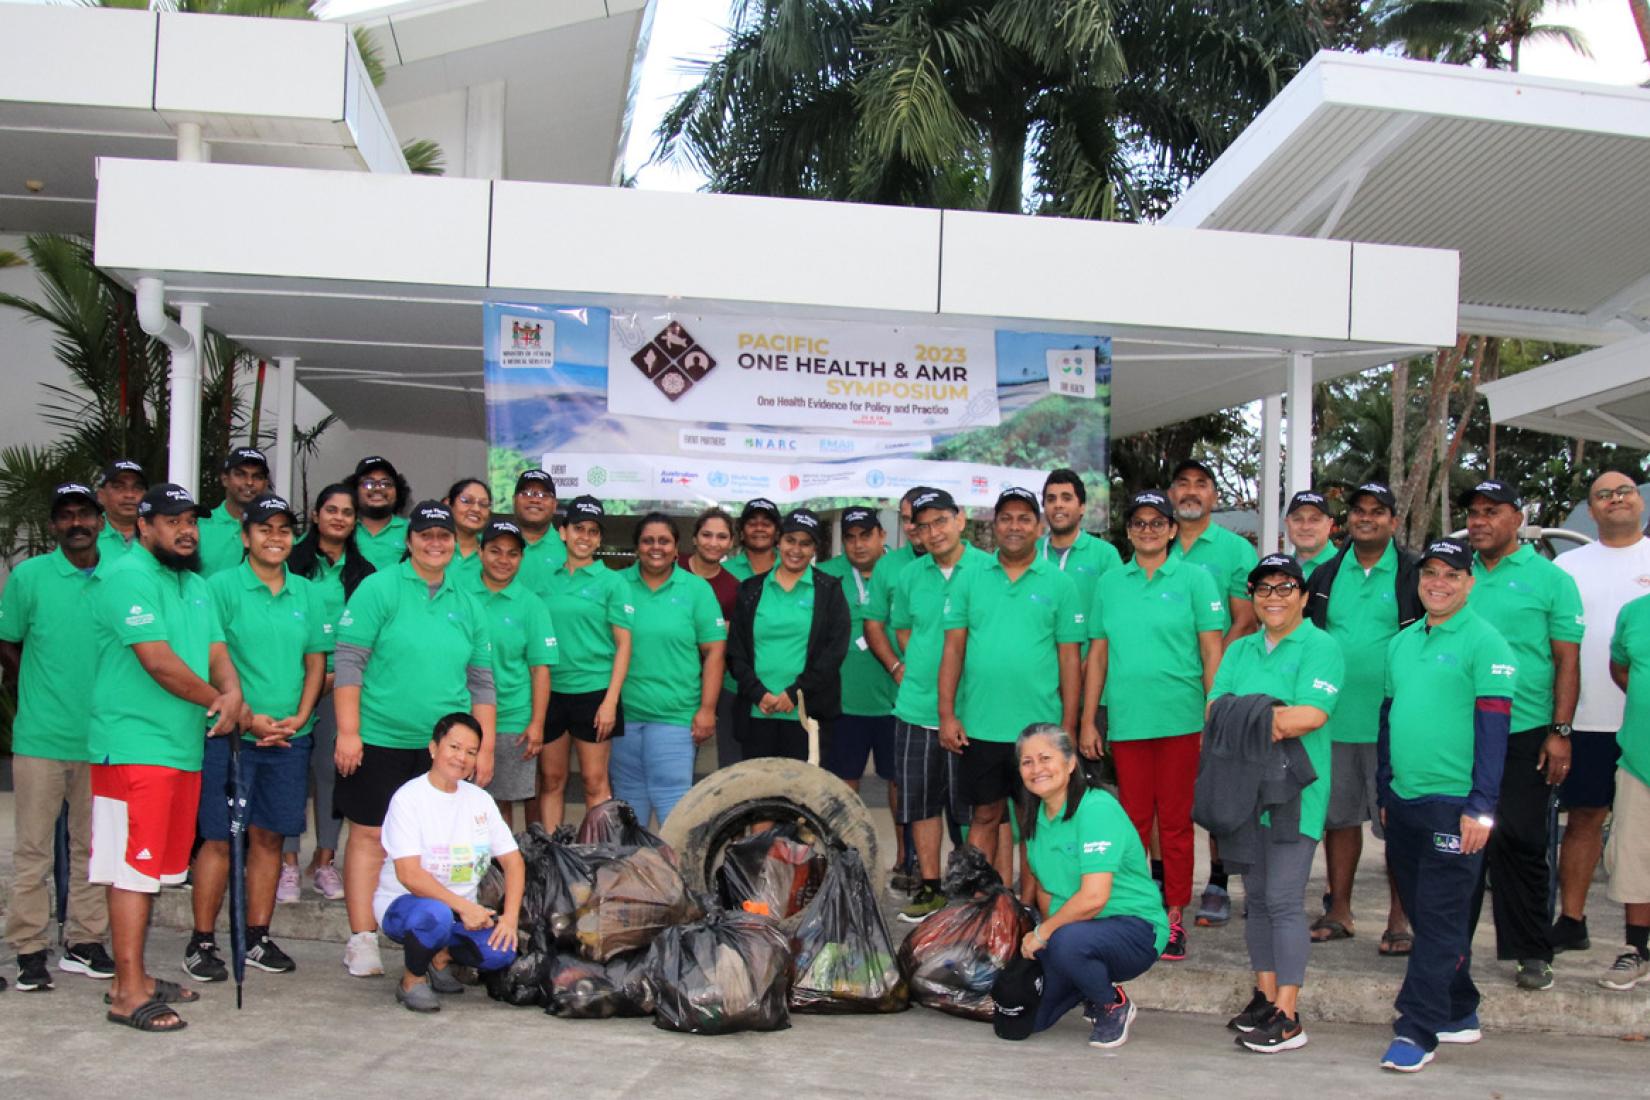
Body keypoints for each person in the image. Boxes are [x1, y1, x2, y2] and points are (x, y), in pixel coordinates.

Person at [89, 483, 243, 1032]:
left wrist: (235, 695)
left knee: (153, 870)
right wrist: (219, 701)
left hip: (181, 750)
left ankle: (137, 976)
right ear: (145, 527)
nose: (185, 530)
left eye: (192, 522)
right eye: (172, 521)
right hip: (134, 749)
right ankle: (128, 993)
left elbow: (216, 654)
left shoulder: (196, 585)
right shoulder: (126, 576)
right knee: (132, 869)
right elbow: (157, 661)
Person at [333, 500, 497, 979]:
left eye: (444, 536)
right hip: (379, 737)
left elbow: (483, 684)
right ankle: (362, 938)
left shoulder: (468, 603)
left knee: (437, 844)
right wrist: (348, 732)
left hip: (443, 751)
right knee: (366, 835)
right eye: (425, 535)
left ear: (455, 543)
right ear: (409, 541)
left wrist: (481, 749)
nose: (435, 542)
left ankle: (436, 943)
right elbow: (349, 664)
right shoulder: (377, 589)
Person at [1376, 537, 1515, 1073]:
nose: (1438, 582)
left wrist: (1482, 807)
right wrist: (1386, 788)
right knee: (1428, 913)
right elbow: (1389, 718)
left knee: (1436, 921)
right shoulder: (1403, 641)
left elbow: (1494, 734)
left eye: (1451, 575)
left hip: (1454, 805)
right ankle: (1459, 1009)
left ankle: (1417, 1028)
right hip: (1406, 801)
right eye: (1429, 572)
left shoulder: (1488, 644)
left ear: (1469, 583)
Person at [188, 494, 331, 981]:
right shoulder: (220, 587)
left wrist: (301, 716)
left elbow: (316, 661)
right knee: (219, 839)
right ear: (245, 537)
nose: (275, 537)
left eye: (284, 529)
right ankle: (203, 940)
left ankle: (256, 936)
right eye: (264, 529)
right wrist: (249, 719)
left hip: (291, 737)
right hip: (233, 735)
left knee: (269, 837)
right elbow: (213, 657)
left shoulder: (307, 593)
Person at [1208, 554, 1345, 1053]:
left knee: (1285, 900)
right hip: (1246, 791)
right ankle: (1265, 999)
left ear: (1304, 597)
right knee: (1257, 901)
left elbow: (1309, 715)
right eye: (1263, 588)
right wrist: (1262, 716)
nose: (1273, 597)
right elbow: (1212, 708)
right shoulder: (1241, 650)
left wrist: (1242, 720)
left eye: (1285, 587)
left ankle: (1289, 1015)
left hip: (1296, 793)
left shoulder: (1321, 646)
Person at [1080, 490, 1224, 962]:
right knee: (1133, 824)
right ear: (1129, 531)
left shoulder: (1195, 579)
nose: (1147, 530)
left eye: (1156, 522)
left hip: (1182, 719)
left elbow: (1210, 651)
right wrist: (1087, 719)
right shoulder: (1110, 583)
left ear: (1170, 528)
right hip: (1127, 722)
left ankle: (1175, 915)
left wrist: (1215, 709)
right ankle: (1135, 911)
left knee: (1177, 823)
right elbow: (1097, 654)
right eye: (1138, 522)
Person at [1460, 478, 1582, 991]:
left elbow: (1566, 661)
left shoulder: (1550, 579)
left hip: (1526, 729)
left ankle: (1531, 950)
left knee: (1523, 842)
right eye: (1473, 512)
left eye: (1492, 511)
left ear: (1518, 518)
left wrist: (1560, 730)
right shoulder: (1452, 573)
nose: (1480, 521)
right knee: (1458, 845)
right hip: (1458, 732)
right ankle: (1449, 949)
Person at [1, 483, 114, 991]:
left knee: (92, 848)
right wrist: (41, 685)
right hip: (42, 739)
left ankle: (86, 942)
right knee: (33, 852)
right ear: (54, 526)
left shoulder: (120, 575)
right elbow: (8, 643)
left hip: (103, 739)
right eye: (66, 516)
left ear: (99, 520)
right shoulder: (29, 577)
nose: (76, 523)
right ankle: (29, 949)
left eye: (84, 514)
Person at [1304, 480, 1421, 955]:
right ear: (1346, 520)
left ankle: (1400, 917)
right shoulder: (1327, 575)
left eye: (1377, 511)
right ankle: (1340, 910)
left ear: (1393, 521)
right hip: (1334, 720)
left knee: (1397, 822)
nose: (1366, 518)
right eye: (1358, 511)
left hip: (1395, 724)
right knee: (1339, 821)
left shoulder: (1414, 573)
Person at [940, 488, 1083, 877]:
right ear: (994, 525)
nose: (1014, 526)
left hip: (1039, 730)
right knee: (984, 817)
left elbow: (1070, 658)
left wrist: (1069, 724)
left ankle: (1035, 911)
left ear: (1039, 527)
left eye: (1024, 518)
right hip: (981, 726)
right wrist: (947, 714)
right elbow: (953, 650)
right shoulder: (969, 579)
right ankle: (975, 909)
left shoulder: (1060, 584)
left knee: (1035, 821)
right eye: (1006, 518)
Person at [877, 488, 990, 922]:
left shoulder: (988, 569)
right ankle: (929, 887)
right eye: (922, 526)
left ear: (960, 520)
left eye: (941, 521)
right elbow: (902, 630)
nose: (933, 532)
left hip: (977, 708)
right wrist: (923, 667)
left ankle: (973, 888)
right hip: (917, 706)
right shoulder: (909, 576)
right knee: (921, 802)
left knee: (977, 808)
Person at [1017, 724, 1167, 1050]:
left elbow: (1095, 898)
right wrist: (1046, 940)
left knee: (1067, 942)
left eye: (1046, 758)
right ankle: (1085, 983)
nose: (1036, 769)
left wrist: (1046, 934)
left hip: (1134, 927)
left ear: (1071, 763)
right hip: (1075, 932)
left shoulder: (1096, 808)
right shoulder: (1035, 816)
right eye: (1027, 762)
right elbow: (1045, 889)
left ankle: (1112, 1003)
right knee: (1024, 1019)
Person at [1552, 471, 1650, 953]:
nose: (1616, 500)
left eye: (1625, 491)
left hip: (1645, 723)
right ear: (1590, 511)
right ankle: (1572, 918)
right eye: (1604, 495)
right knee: (1586, 817)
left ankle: (1641, 939)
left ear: (1641, 502)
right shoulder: (1568, 565)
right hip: (1589, 717)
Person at [374, 713, 526, 1013]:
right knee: (435, 915)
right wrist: (464, 907)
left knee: (501, 951)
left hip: (459, 913)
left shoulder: (480, 800)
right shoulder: (409, 799)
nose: (462, 758)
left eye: (471, 752)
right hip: (405, 905)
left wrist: (509, 919)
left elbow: (514, 862)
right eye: (455, 747)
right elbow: (409, 874)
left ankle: (438, 958)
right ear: (434, 748)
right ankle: (411, 980)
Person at [1167, 458, 1258, 927]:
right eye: (1182, 484)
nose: (1191, 491)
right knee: (1172, 797)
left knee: (1219, 792)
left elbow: (1246, 618)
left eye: (1201, 484)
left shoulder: (1235, 550)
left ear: (1213, 497)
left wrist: (1212, 672)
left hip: (1217, 692)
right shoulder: (1155, 544)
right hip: (1165, 697)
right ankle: (1165, 882)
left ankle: (1218, 882)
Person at [279, 483, 375, 901]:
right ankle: (286, 864)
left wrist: (337, 678)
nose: (339, 517)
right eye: (331, 509)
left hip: (342, 687)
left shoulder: (365, 574)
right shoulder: (289, 564)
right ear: (316, 515)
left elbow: (373, 637)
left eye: (347, 512)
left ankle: (324, 861)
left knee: (333, 774)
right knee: (291, 776)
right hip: (288, 685)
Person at [611, 513, 726, 828]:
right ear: (637, 548)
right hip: (624, 717)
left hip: (675, 717)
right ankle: (631, 874)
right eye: (648, 541)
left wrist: (707, 709)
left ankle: (673, 876)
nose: (655, 547)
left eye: (664, 541)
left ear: (677, 549)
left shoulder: (696, 589)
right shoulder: (616, 585)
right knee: (627, 806)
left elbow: (715, 650)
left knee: (673, 806)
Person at [727, 508, 851, 761]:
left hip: (807, 715)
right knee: (760, 792)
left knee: (802, 795)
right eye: (790, 540)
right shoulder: (750, 590)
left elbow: (833, 653)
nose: (796, 549)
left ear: (815, 548)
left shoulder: (829, 590)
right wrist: (758, 693)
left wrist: (794, 693)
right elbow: (735, 651)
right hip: (758, 711)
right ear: (779, 541)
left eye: (806, 543)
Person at [458, 518, 557, 830]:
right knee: (459, 799)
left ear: (521, 559)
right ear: (481, 553)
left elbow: (540, 669)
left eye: (512, 553)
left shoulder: (532, 605)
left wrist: (537, 723)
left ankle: (500, 873)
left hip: (511, 718)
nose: (503, 560)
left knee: (499, 804)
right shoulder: (460, 596)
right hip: (462, 714)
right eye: (495, 551)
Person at [538, 496, 630, 830]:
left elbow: (623, 646)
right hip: (551, 693)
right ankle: (551, 856)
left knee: (594, 782)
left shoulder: (612, 583)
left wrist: (610, 701)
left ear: (599, 538)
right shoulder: (545, 581)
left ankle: (598, 854)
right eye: (578, 528)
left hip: (595, 692)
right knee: (551, 780)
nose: (585, 536)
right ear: (563, 532)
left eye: (593, 531)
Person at [816, 508, 903, 848]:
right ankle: (844, 856)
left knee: (900, 782)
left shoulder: (905, 570)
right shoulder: (825, 575)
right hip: (845, 700)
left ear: (882, 535)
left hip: (898, 700)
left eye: (865, 535)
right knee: (843, 782)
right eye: (850, 537)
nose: (857, 544)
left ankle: (905, 859)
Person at [1602, 589, 1650, 990]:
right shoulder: (1633, 612)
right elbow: (1622, 670)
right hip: (1639, 760)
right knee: (1634, 858)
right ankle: (1637, 950)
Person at [1037, 468, 1122, 617]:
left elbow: (1117, 611)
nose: (1058, 505)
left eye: (1066, 498)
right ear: (1044, 507)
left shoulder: (1106, 555)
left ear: (1082, 507)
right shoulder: (1030, 552)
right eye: (1051, 499)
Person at [198, 447, 272, 576]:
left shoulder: (277, 531)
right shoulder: (200, 525)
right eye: (240, 474)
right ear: (225, 479)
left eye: (257, 476)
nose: (249, 482)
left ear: (265, 484)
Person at [348, 455, 412, 573]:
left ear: (398, 491)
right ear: (354, 491)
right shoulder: (342, 527)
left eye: (386, 483)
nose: (377, 489)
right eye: (368, 483)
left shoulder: (412, 530)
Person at [510, 469, 567, 593]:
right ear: (514, 500)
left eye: (543, 495)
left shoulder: (569, 547)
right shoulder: (493, 545)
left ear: (554, 505)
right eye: (527, 493)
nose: (535, 500)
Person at [96, 458, 147, 563]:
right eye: (119, 487)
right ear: (101, 495)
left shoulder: (157, 535)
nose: (130, 495)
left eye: (137, 488)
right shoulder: (87, 534)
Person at [444, 477, 493, 587]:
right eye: (466, 501)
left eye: (484, 504)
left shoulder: (493, 552)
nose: (476, 509)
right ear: (448, 504)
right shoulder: (433, 547)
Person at [723, 497, 780, 580]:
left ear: (777, 533)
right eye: (752, 524)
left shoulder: (791, 566)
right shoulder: (724, 570)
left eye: (766, 524)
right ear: (741, 533)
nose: (759, 528)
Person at [1285, 491, 1338, 577]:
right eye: (1298, 519)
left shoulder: (1345, 568)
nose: (1305, 527)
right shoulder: (1281, 571)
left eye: (1314, 520)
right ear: (1287, 524)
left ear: (1329, 525)